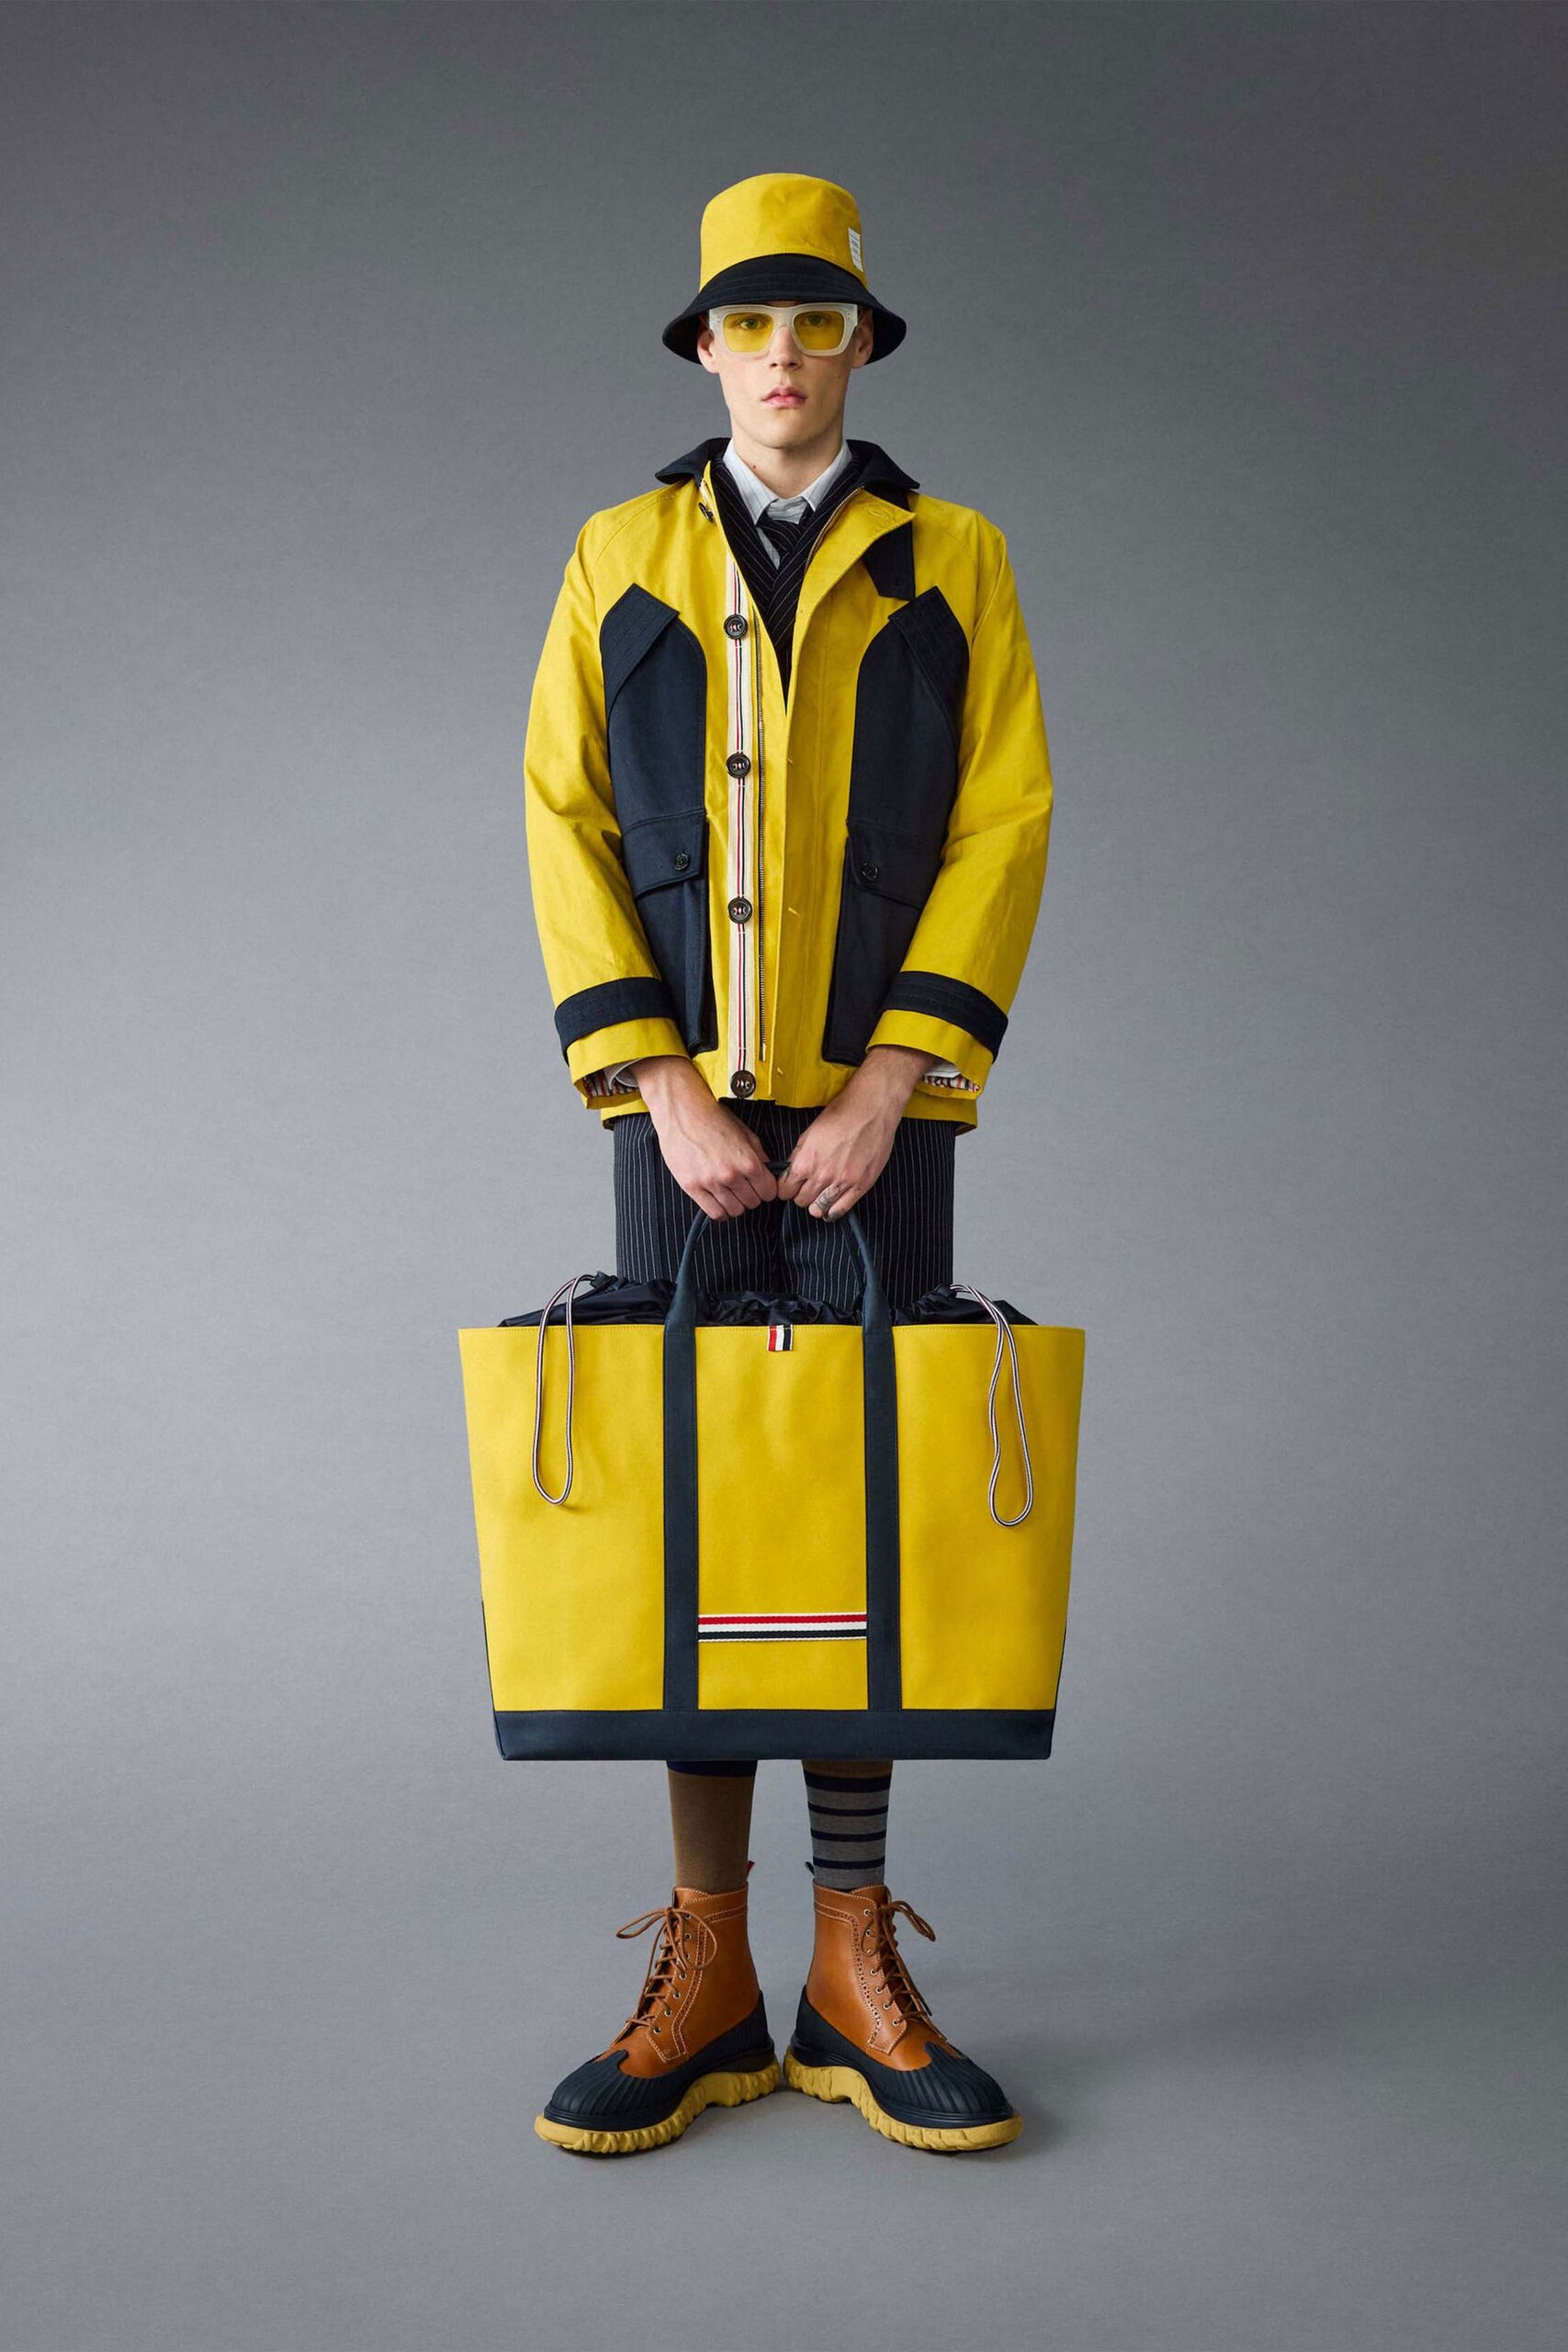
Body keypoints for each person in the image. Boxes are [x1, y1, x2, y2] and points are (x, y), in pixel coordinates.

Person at [520, 173, 1055, 2154]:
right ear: (703, 348)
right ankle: (706, 1962)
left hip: (869, 1119)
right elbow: (563, 814)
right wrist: (655, 1082)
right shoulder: (622, 549)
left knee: (859, 1497)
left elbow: (1004, 818)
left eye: (813, 321)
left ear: (858, 344)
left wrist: (893, 1079)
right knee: (694, 1501)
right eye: (745, 323)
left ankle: (848, 1956)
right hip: (678, 1120)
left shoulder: (953, 556)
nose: (779, 356)